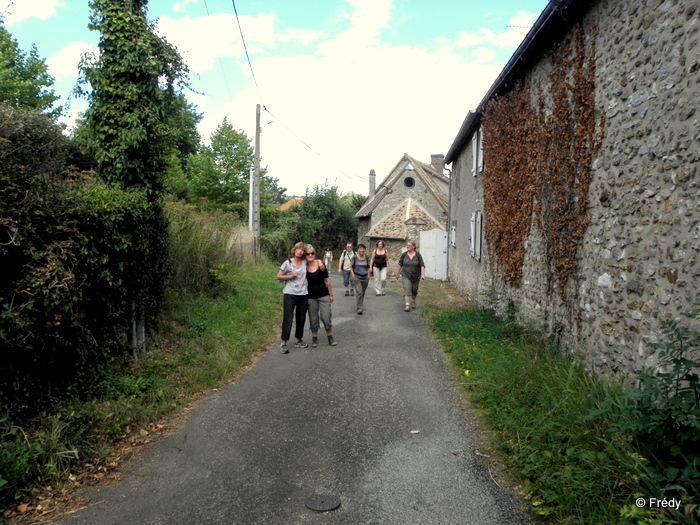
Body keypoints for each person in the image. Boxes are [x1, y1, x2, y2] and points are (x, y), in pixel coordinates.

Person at [276, 242, 310, 353]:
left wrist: (320, 264)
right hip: (290, 294)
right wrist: (290, 276)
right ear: (294, 250)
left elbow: (315, 262)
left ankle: (298, 339)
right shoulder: (288, 263)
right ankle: (283, 342)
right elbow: (278, 276)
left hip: (303, 294)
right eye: (298, 249)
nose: (300, 251)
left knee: (301, 318)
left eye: (302, 250)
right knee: (288, 318)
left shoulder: (305, 262)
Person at [305, 245, 337, 347]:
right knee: (313, 319)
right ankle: (314, 338)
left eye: (312, 253)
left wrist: (331, 294)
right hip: (310, 296)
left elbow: (327, 281)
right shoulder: (303, 266)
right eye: (308, 254)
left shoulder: (321, 265)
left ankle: (330, 337)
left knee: (326, 317)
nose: (310, 255)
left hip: (323, 294)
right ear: (305, 255)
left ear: (315, 254)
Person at [395, 240, 426, 312]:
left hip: (416, 276)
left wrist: (423, 274)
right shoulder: (404, 255)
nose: (407, 246)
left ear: (413, 246)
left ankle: (413, 300)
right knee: (407, 288)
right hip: (406, 275)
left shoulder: (418, 255)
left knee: (414, 290)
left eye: (409, 245)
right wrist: (397, 273)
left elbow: (422, 265)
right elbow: (400, 264)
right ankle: (407, 305)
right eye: (407, 245)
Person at [350, 243, 370, 315]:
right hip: (357, 278)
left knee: (362, 293)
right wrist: (353, 276)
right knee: (359, 292)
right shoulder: (354, 257)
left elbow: (368, 267)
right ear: (358, 249)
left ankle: (360, 305)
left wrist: (368, 276)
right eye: (360, 248)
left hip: (365, 278)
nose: (361, 250)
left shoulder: (367, 257)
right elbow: (351, 267)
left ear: (364, 249)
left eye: (363, 248)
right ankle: (359, 308)